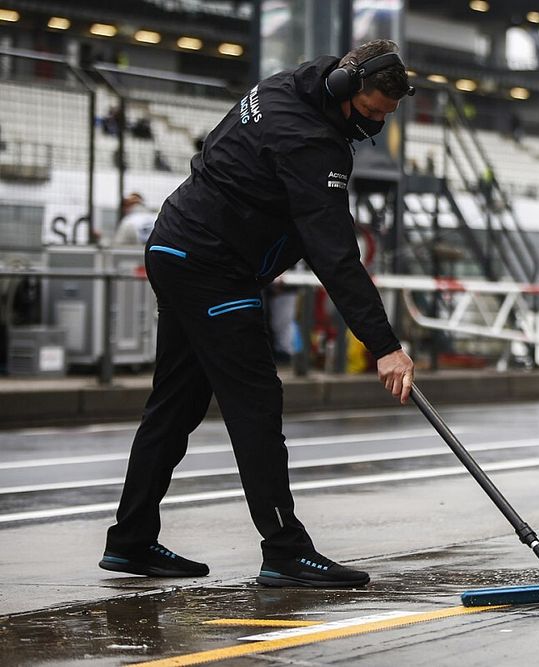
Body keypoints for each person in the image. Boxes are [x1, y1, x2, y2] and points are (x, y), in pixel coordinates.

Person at [100, 39, 416, 588]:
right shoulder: (311, 142)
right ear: (344, 89)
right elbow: (335, 255)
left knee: (175, 405)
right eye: (369, 114)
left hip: (176, 246)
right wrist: (384, 346)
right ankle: (285, 550)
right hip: (211, 265)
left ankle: (130, 542)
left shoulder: (283, 86)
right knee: (256, 404)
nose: (372, 129)